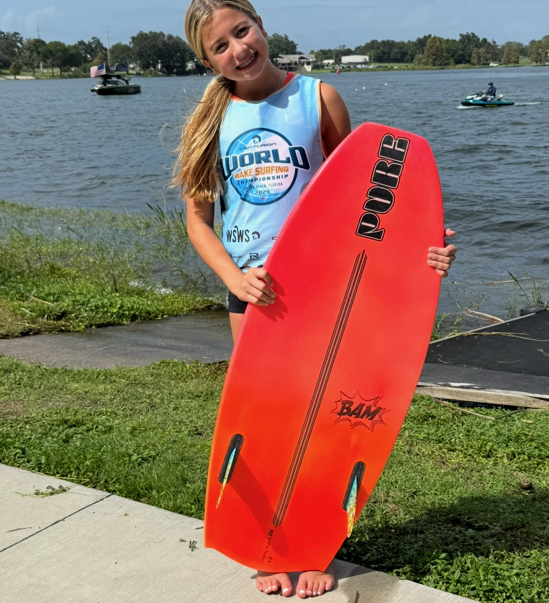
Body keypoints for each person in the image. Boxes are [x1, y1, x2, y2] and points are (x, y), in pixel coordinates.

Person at [173, 0, 457, 597]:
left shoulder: (317, 98)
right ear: (206, 61)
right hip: (255, 292)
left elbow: (363, 205)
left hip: (324, 292)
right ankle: (267, 549)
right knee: (267, 420)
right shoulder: (211, 118)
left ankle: (309, 547)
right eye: (219, 47)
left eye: (242, 31)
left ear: (260, 25)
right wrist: (230, 277)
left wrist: (422, 247)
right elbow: (199, 220)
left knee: (328, 421)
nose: (238, 50)